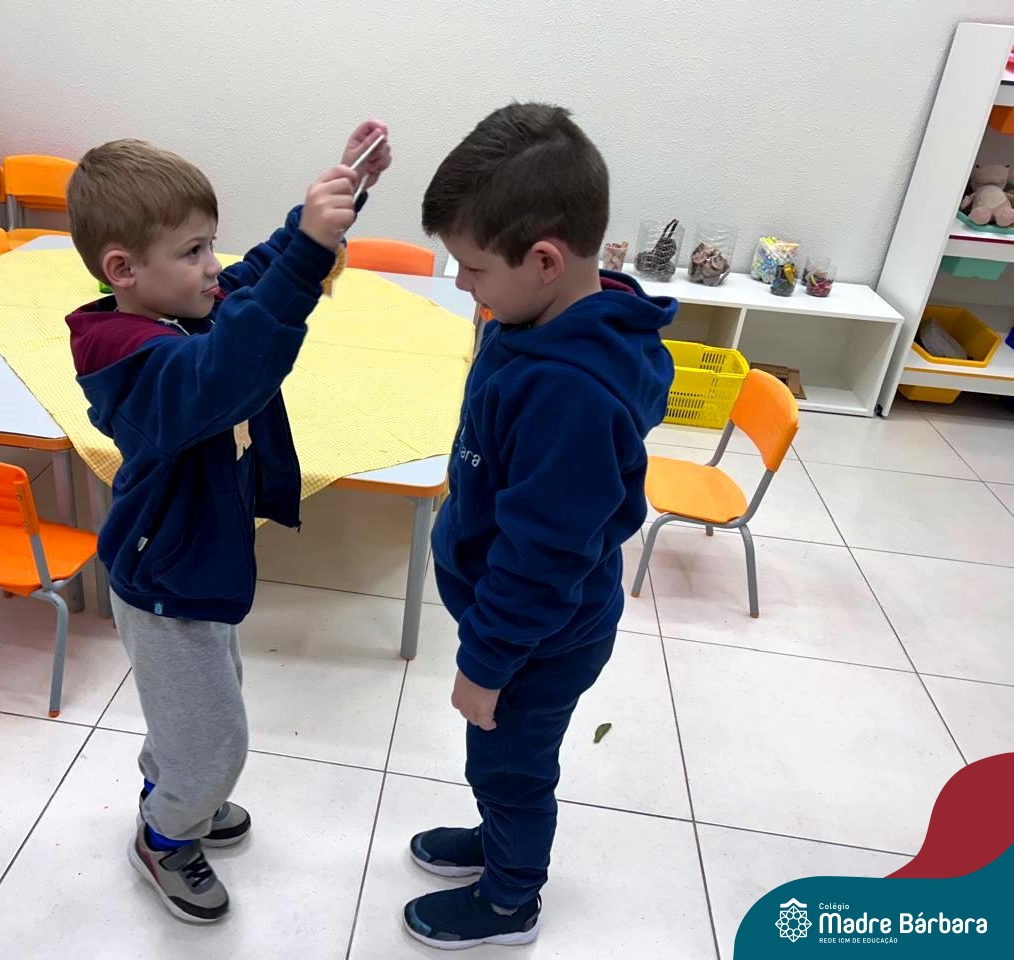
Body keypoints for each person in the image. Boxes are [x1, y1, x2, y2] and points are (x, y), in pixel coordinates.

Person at [64, 122, 391, 924]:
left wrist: (327, 212)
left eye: (210, 244)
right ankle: (166, 835)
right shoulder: (131, 360)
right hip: (166, 583)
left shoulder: (182, 309)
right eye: (193, 252)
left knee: (199, 713)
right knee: (216, 741)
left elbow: (251, 282)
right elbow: (231, 367)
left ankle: (178, 788)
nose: (214, 266)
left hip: (196, 566)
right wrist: (309, 255)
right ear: (124, 271)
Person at [403, 102, 676, 950]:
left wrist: (486, 665)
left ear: (546, 261)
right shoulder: (539, 317)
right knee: (501, 760)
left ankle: (508, 903)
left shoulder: (570, 393)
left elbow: (543, 556)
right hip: (524, 616)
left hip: (538, 635)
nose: (463, 284)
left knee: (511, 763)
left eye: (474, 268)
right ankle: (498, 838)